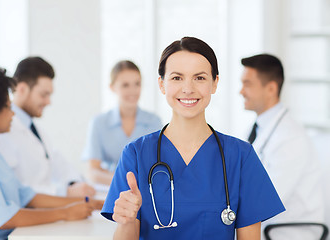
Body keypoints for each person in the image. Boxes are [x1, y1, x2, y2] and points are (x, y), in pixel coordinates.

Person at [101, 37, 285, 240]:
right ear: (162, 84)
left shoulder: (241, 157)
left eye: (199, 78)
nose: (188, 88)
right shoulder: (135, 154)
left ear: (214, 83)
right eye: (177, 78)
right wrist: (127, 220)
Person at [0, 63, 103, 240]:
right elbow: (2, 219)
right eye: (8, 107)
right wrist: (65, 213)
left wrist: (88, 203)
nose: (13, 114)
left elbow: (28, 197)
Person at [240, 54, 325, 239]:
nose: (241, 91)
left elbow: (266, 200)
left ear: (271, 88)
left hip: (286, 232)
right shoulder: (258, 128)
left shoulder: (290, 137)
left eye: (247, 84)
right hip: (266, 228)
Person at [0, 57, 96, 197]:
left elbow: (57, 163)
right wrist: (64, 192)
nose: (48, 102)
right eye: (44, 95)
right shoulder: (2, 132)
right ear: (22, 89)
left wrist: (74, 183)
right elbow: (13, 188)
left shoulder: (36, 130)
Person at [82, 60, 162, 185]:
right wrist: (124, 181)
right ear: (112, 87)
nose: (133, 90)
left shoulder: (154, 122)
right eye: (125, 85)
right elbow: (92, 171)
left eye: (137, 84)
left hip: (146, 190)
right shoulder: (99, 123)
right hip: (110, 189)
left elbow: (159, 164)